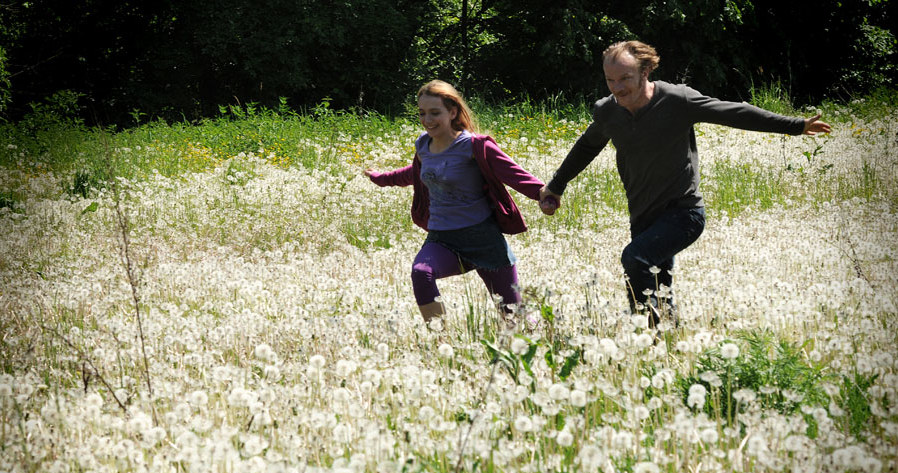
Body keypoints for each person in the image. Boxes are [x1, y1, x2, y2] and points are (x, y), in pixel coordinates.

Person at [539, 40, 831, 326]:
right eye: (610, 80)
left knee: (635, 258)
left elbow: (733, 112)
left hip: (684, 212)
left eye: (625, 78)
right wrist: (556, 185)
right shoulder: (607, 111)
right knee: (658, 286)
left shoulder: (677, 100)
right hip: (642, 215)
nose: (617, 88)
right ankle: (666, 336)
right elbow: (587, 147)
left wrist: (794, 125)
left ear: (645, 72)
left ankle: (644, 333)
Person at [364, 80, 546, 328]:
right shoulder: (423, 146)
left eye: (435, 113)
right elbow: (416, 173)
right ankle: (442, 343)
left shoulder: (474, 146)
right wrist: (382, 178)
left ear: (452, 112)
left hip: (483, 239)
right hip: (443, 239)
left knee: (514, 316)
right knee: (421, 272)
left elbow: (512, 173)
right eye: (422, 113)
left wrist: (544, 193)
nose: (427, 120)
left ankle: (547, 335)